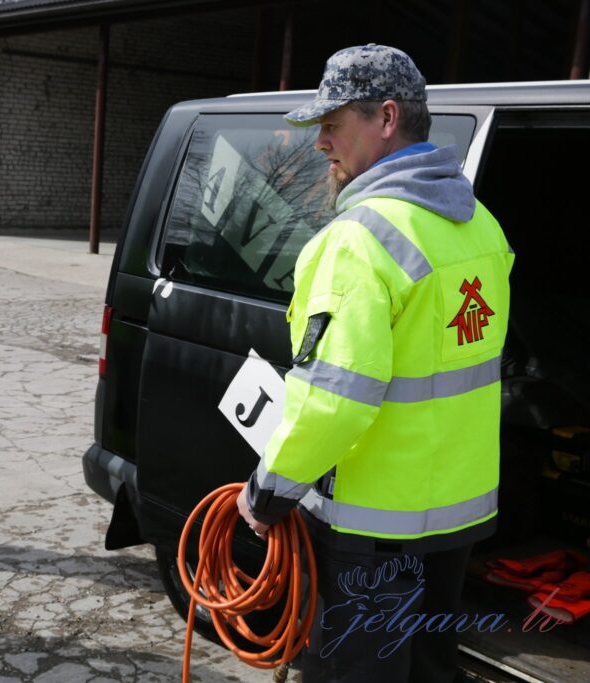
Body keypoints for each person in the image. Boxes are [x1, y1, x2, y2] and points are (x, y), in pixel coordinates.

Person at [236, 45, 513, 682]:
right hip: (455, 520)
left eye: (333, 125)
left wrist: (269, 491)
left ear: (386, 119)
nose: (320, 144)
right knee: (427, 671)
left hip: (370, 530)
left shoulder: (358, 240)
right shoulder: (483, 228)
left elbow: (335, 400)